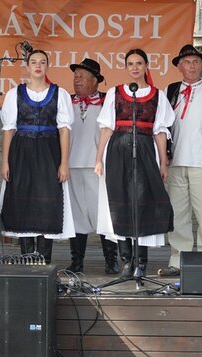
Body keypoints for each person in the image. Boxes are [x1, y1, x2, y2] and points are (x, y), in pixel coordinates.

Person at [94, 49, 175, 278]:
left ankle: (141, 262)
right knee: (120, 203)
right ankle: (125, 261)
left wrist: (163, 162)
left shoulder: (157, 95)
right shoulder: (115, 93)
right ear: (126, 67)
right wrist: (99, 158)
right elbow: (107, 127)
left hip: (146, 149)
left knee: (143, 202)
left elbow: (160, 132)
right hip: (118, 148)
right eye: (130, 64)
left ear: (146, 65)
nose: (135, 68)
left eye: (139, 63)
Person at [1, 49, 75, 264]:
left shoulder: (59, 94)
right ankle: (26, 259)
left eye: (42, 62)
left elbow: (64, 130)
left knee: (47, 201)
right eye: (33, 62)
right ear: (27, 66)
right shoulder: (15, 94)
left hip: (48, 151)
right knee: (23, 201)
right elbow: (9, 130)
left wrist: (64, 163)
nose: (38, 66)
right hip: (22, 150)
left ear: (47, 66)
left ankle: (44, 260)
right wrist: (5, 161)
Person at [159, 45, 202, 277]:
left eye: (196, 61)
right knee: (177, 215)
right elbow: (162, 126)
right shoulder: (169, 90)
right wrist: (164, 155)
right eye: (187, 62)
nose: (192, 66)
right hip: (175, 163)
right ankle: (178, 260)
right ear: (179, 66)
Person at [67, 58, 118, 274]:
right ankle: (77, 261)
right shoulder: (66, 101)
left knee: (104, 214)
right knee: (76, 215)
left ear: (95, 81)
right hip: (71, 165)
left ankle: (111, 260)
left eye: (82, 76)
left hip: (99, 166)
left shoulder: (108, 102)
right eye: (75, 76)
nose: (77, 80)